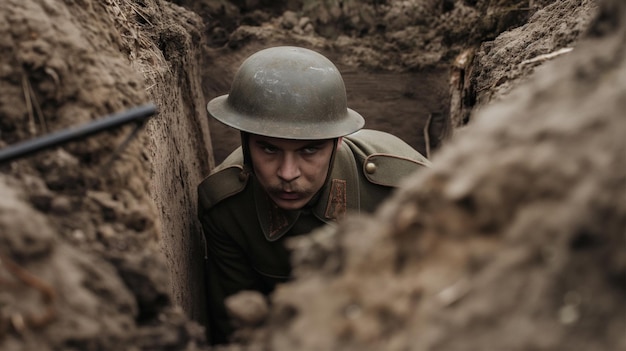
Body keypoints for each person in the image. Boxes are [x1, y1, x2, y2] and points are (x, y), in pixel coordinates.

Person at [197, 46, 431, 344]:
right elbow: (238, 331)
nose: (287, 173)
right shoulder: (228, 209)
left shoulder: (404, 189)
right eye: (268, 148)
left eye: (309, 150)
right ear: (245, 142)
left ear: (338, 141)